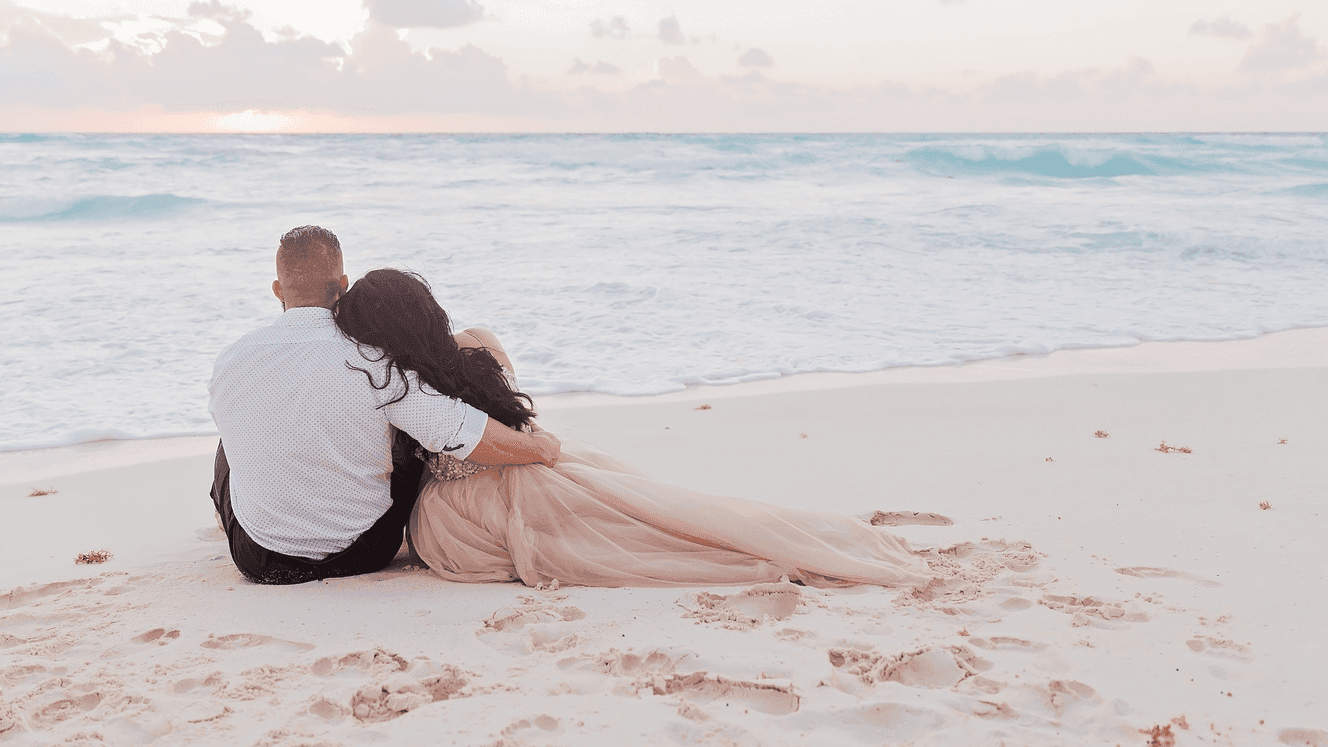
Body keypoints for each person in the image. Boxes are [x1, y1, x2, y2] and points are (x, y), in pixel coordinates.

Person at [333, 268, 936, 590]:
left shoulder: (392, 384)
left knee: (622, 538)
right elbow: (519, 422)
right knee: (656, 515)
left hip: (454, 516)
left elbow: (392, 466)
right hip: (537, 463)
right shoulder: (479, 346)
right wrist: (539, 451)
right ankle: (794, 542)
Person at [207, 226, 561, 585]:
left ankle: (240, 518)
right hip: (366, 550)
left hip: (260, 559)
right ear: (342, 285)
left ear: (278, 289)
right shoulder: (373, 359)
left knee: (230, 442)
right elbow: (456, 430)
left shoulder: (231, 359)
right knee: (403, 430)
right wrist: (536, 446)